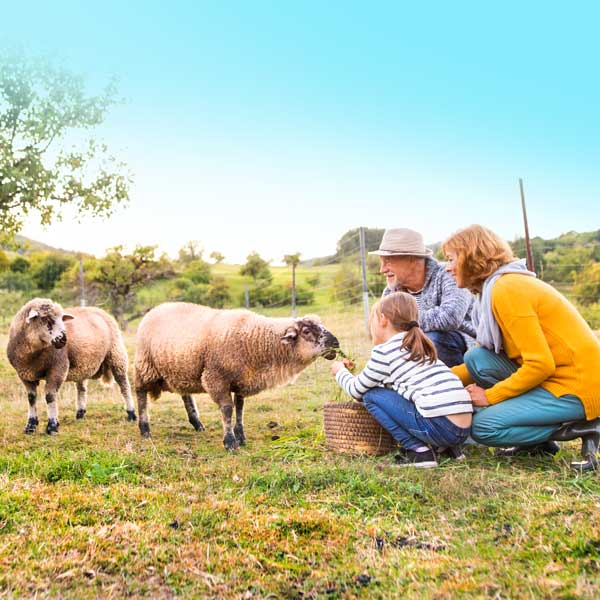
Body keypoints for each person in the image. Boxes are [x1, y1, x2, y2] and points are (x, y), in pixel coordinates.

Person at [443, 224, 600, 467]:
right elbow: (489, 362)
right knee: (477, 358)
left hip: (578, 385)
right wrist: (435, 379)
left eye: (452, 259)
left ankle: (581, 427)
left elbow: (540, 364)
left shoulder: (507, 290)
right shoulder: (494, 290)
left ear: (472, 257)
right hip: (555, 376)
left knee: (483, 427)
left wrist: (491, 396)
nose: (448, 267)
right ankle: (538, 442)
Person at [331, 292, 473, 468]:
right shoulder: (418, 346)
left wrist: (340, 371)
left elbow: (356, 390)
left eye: (372, 322)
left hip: (442, 426)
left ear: (383, 319)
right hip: (463, 429)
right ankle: (447, 448)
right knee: (407, 395)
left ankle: (419, 452)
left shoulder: (385, 352)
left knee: (371, 396)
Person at [370, 228, 474, 367]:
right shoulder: (391, 293)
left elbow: (450, 317)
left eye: (388, 261)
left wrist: (400, 322)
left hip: (467, 350)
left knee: (431, 339)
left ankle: (453, 385)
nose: (382, 269)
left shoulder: (448, 274)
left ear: (412, 259)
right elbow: (383, 333)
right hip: (418, 352)